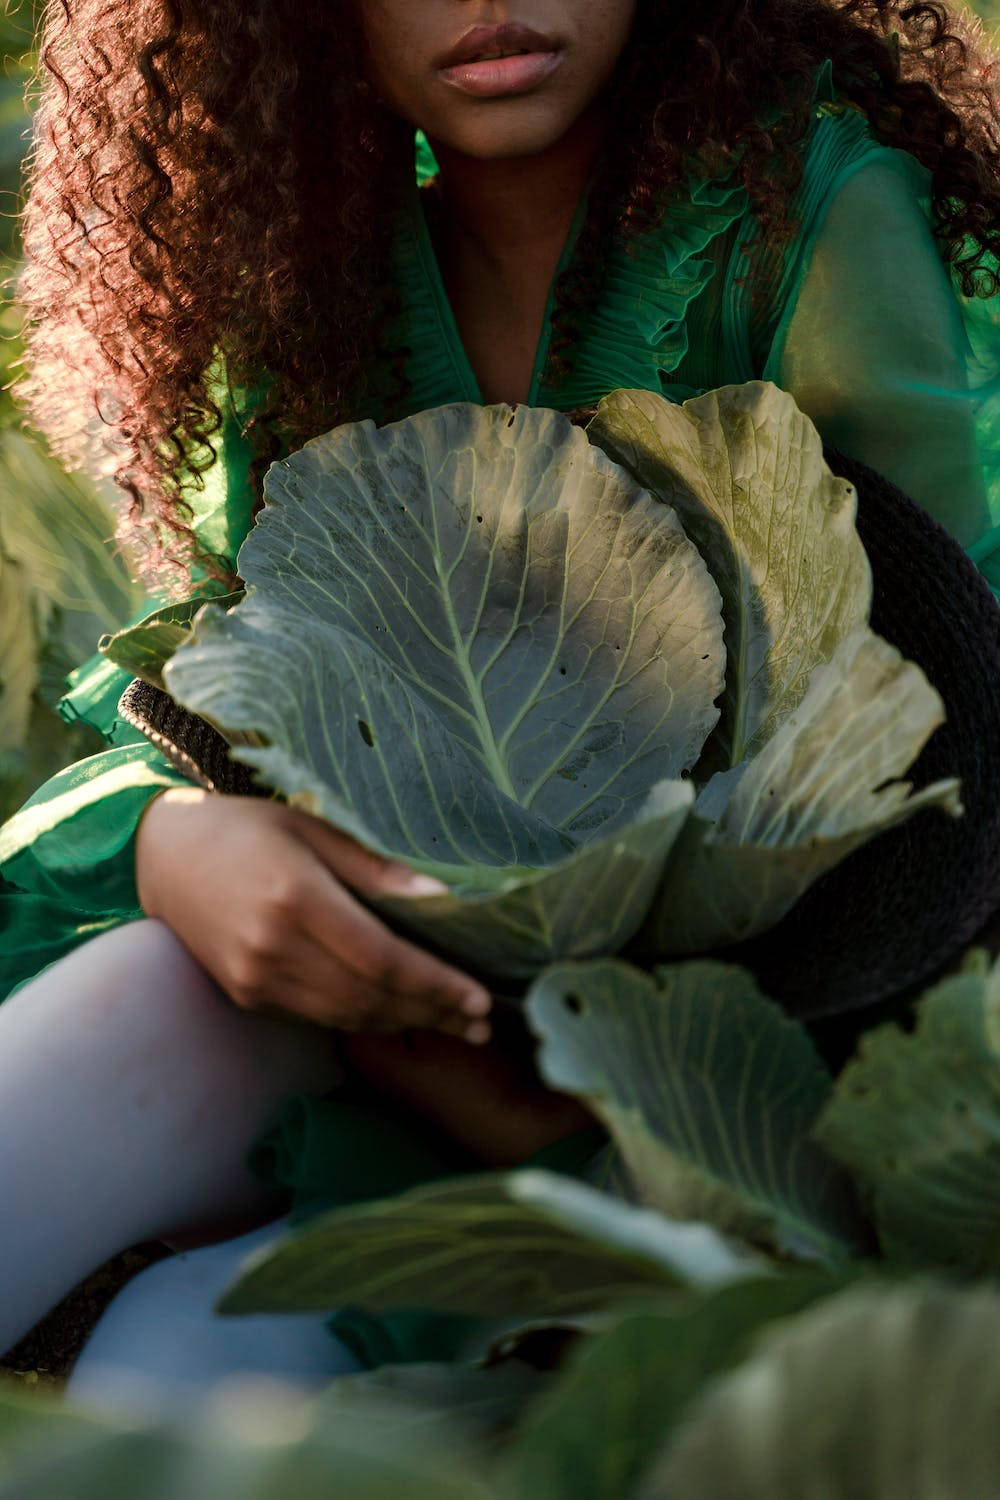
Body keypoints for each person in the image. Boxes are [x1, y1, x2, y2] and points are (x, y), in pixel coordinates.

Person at [1, 0, 999, 1400]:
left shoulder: (816, 208)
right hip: (398, 1027)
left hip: (750, 1092)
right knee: (136, 994)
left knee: (160, 1370)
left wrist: (601, 1118)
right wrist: (174, 841)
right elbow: (225, 681)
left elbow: (945, 756)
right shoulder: (313, 262)